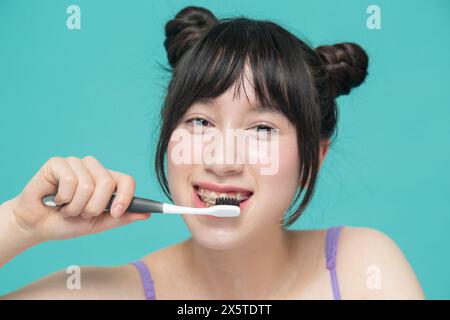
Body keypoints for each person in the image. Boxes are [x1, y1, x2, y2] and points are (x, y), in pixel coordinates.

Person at [0, 6, 424, 299]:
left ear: (315, 159)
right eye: (200, 122)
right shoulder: (104, 292)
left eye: (261, 128)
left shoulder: (362, 267)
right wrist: (19, 223)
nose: (223, 160)